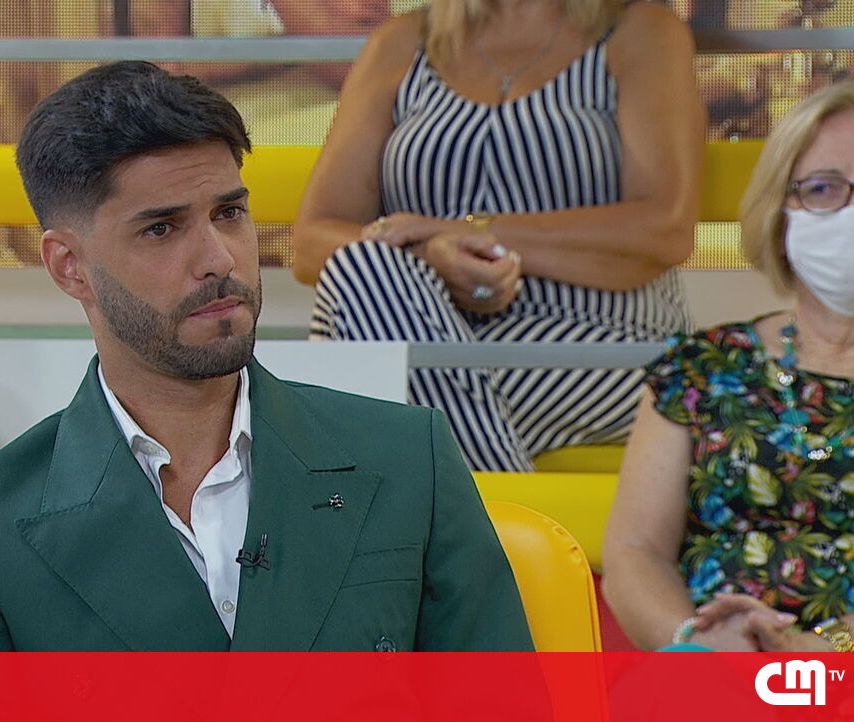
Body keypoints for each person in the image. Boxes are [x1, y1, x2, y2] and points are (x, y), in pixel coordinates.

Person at [0, 61, 532, 652]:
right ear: (69, 266)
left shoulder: (408, 459)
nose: (219, 260)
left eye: (229, 213)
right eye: (161, 228)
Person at [293, 0, 703, 471]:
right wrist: (432, 254)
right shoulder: (402, 41)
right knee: (362, 265)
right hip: (417, 320)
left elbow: (663, 230)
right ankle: (482, 505)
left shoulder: (641, 30)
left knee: (357, 403)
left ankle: (441, 500)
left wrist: (471, 233)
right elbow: (311, 242)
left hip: (605, 339)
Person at [602, 81, 854, 652]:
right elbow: (635, 552)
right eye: (822, 188)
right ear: (778, 215)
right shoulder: (701, 367)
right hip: (711, 668)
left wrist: (822, 653)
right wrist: (697, 644)